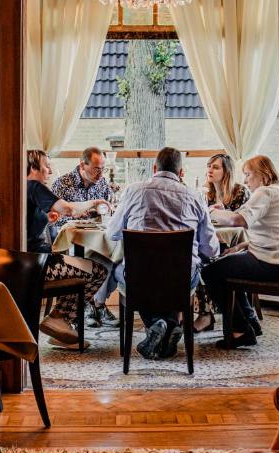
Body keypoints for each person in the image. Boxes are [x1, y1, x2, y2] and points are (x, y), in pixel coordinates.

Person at [106, 147, 220, 360]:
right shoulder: (195, 197)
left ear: (154, 167)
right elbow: (211, 249)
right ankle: (169, 325)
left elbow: (112, 233)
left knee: (121, 271)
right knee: (182, 274)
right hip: (181, 278)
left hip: (140, 277)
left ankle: (158, 325)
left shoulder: (133, 191)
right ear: (181, 173)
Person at [26, 150, 110, 347]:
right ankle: (59, 318)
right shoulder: (35, 186)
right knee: (98, 270)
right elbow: (69, 210)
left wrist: (46, 218)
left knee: (83, 266)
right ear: (32, 168)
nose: (50, 170)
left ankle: (59, 327)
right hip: (37, 265)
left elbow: (27, 224)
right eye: (46, 165)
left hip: (28, 261)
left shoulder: (24, 188)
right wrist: (95, 203)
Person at [205, 155, 279, 349]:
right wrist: (239, 247)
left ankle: (241, 330)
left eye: (248, 175)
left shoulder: (264, 192)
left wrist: (209, 212)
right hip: (276, 260)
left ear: (263, 175)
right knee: (228, 265)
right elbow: (272, 234)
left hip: (267, 263)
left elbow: (237, 220)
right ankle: (250, 321)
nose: (246, 180)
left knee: (210, 272)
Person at [51, 147, 120, 328]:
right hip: (71, 244)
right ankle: (91, 305)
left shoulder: (102, 184)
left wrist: (110, 210)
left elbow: (111, 210)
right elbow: (55, 221)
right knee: (100, 259)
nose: (100, 174)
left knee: (116, 258)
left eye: (103, 169)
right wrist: (81, 213)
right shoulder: (63, 184)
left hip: (97, 239)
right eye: (97, 169)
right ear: (82, 165)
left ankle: (96, 304)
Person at [194, 154, 250, 333]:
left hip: (235, 246)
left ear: (226, 171)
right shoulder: (205, 194)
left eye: (216, 167)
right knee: (196, 260)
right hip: (212, 243)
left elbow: (244, 223)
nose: (210, 169)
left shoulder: (240, 192)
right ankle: (205, 313)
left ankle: (209, 315)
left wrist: (222, 213)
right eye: (209, 166)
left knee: (207, 263)